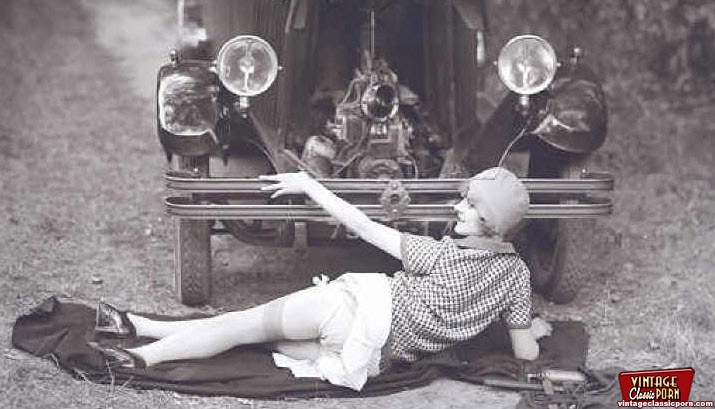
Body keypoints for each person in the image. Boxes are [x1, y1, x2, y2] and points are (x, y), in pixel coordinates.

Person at [88, 167, 552, 391]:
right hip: (365, 358)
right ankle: (136, 326)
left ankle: (138, 357)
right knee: (258, 340)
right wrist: (534, 328)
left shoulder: (442, 255)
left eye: (469, 205)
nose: (457, 206)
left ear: (490, 223)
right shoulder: (516, 278)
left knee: (241, 325)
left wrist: (310, 185)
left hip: (356, 309)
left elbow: (365, 227)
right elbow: (525, 354)